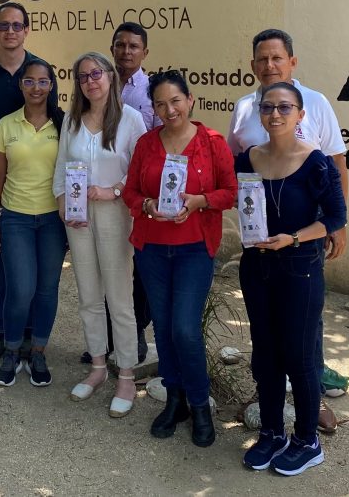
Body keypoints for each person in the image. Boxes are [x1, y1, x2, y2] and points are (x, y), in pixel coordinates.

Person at [225, 28, 349, 427]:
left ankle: (310, 402)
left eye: (277, 58)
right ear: (252, 65)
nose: (269, 65)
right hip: (259, 245)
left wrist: (338, 224)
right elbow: (235, 169)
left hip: (302, 241)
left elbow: (336, 163)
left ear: (292, 62)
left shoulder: (314, 103)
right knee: (265, 327)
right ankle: (270, 401)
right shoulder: (245, 108)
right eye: (262, 59)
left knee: (305, 321)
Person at [235, 82, 346, 476]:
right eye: (268, 107)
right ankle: (271, 433)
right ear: (260, 114)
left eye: (285, 107)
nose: (275, 114)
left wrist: (295, 238)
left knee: (298, 355)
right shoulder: (248, 159)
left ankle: (306, 440)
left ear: (301, 115)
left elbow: (335, 217)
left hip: (300, 267)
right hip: (257, 267)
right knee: (265, 352)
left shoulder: (317, 162)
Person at [121, 70, 238, 447]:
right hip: (152, 248)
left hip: (193, 249)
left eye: (175, 100)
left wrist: (201, 201)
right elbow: (131, 193)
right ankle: (175, 400)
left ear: (190, 100)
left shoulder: (212, 142)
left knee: (185, 329)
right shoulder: (146, 144)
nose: (169, 109)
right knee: (165, 327)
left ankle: (200, 404)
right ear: (152, 108)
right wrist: (148, 205)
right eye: (160, 103)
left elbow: (230, 192)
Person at [0, 2, 59, 361]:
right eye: (4, 25)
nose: (10, 31)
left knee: (36, 264)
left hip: (35, 184)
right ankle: (1, 327)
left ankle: (30, 330)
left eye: (17, 25)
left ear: (27, 30)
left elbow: (55, 120)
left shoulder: (40, 70)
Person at [53, 52, 145, 417]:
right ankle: (97, 366)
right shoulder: (73, 120)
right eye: (83, 76)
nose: (91, 81)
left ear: (110, 76)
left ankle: (125, 373)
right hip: (77, 217)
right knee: (88, 294)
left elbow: (141, 171)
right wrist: (62, 201)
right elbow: (62, 163)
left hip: (114, 214)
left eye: (97, 73)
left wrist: (115, 191)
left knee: (119, 297)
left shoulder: (131, 119)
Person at [76, 22, 159, 366]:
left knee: (131, 276)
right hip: (93, 208)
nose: (126, 51)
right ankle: (105, 343)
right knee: (100, 278)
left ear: (144, 52)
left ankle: (133, 336)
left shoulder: (151, 93)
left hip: (140, 197)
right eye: (120, 45)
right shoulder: (84, 106)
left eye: (133, 46)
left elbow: (151, 150)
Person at [0, 58, 66, 388]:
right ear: (21, 85)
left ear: (51, 85)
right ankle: (12, 349)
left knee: (47, 289)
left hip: (53, 220)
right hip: (15, 217)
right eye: (29, 81)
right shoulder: (6, 124)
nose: (35, 88)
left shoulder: (64, 125)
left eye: (42, 82)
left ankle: (38, 350)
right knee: (20, 289)